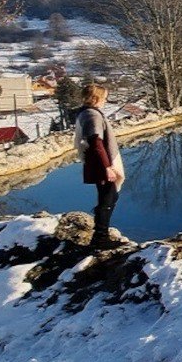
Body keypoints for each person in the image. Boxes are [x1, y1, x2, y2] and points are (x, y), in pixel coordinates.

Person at [73, 83, 126, 248]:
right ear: (96, 98)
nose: (105, 100)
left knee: (109, 197)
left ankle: (100, 233)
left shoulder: (85, 113)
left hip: (96, 161)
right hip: (100, 162)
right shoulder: (92, 115)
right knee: (108, 198)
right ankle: (100, 238)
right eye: (104, 98)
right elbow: (95, 141)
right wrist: (107, 167)